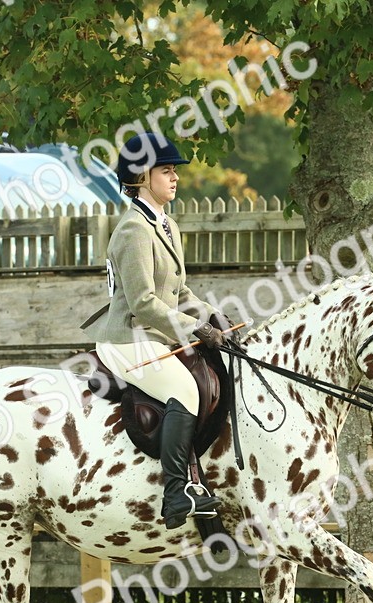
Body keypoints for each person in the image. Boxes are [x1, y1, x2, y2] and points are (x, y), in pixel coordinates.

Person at [82, 132, 237, 530]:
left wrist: (215, 317)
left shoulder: (167, 224)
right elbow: (144, 304)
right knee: (183, 390)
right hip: (128, 338)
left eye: (174, 171)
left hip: (156, 335)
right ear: (140, 177)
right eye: (166, 170)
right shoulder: (134, 229)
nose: (175, 178)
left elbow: (180, 291)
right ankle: (175, 492)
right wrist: (196, 329)